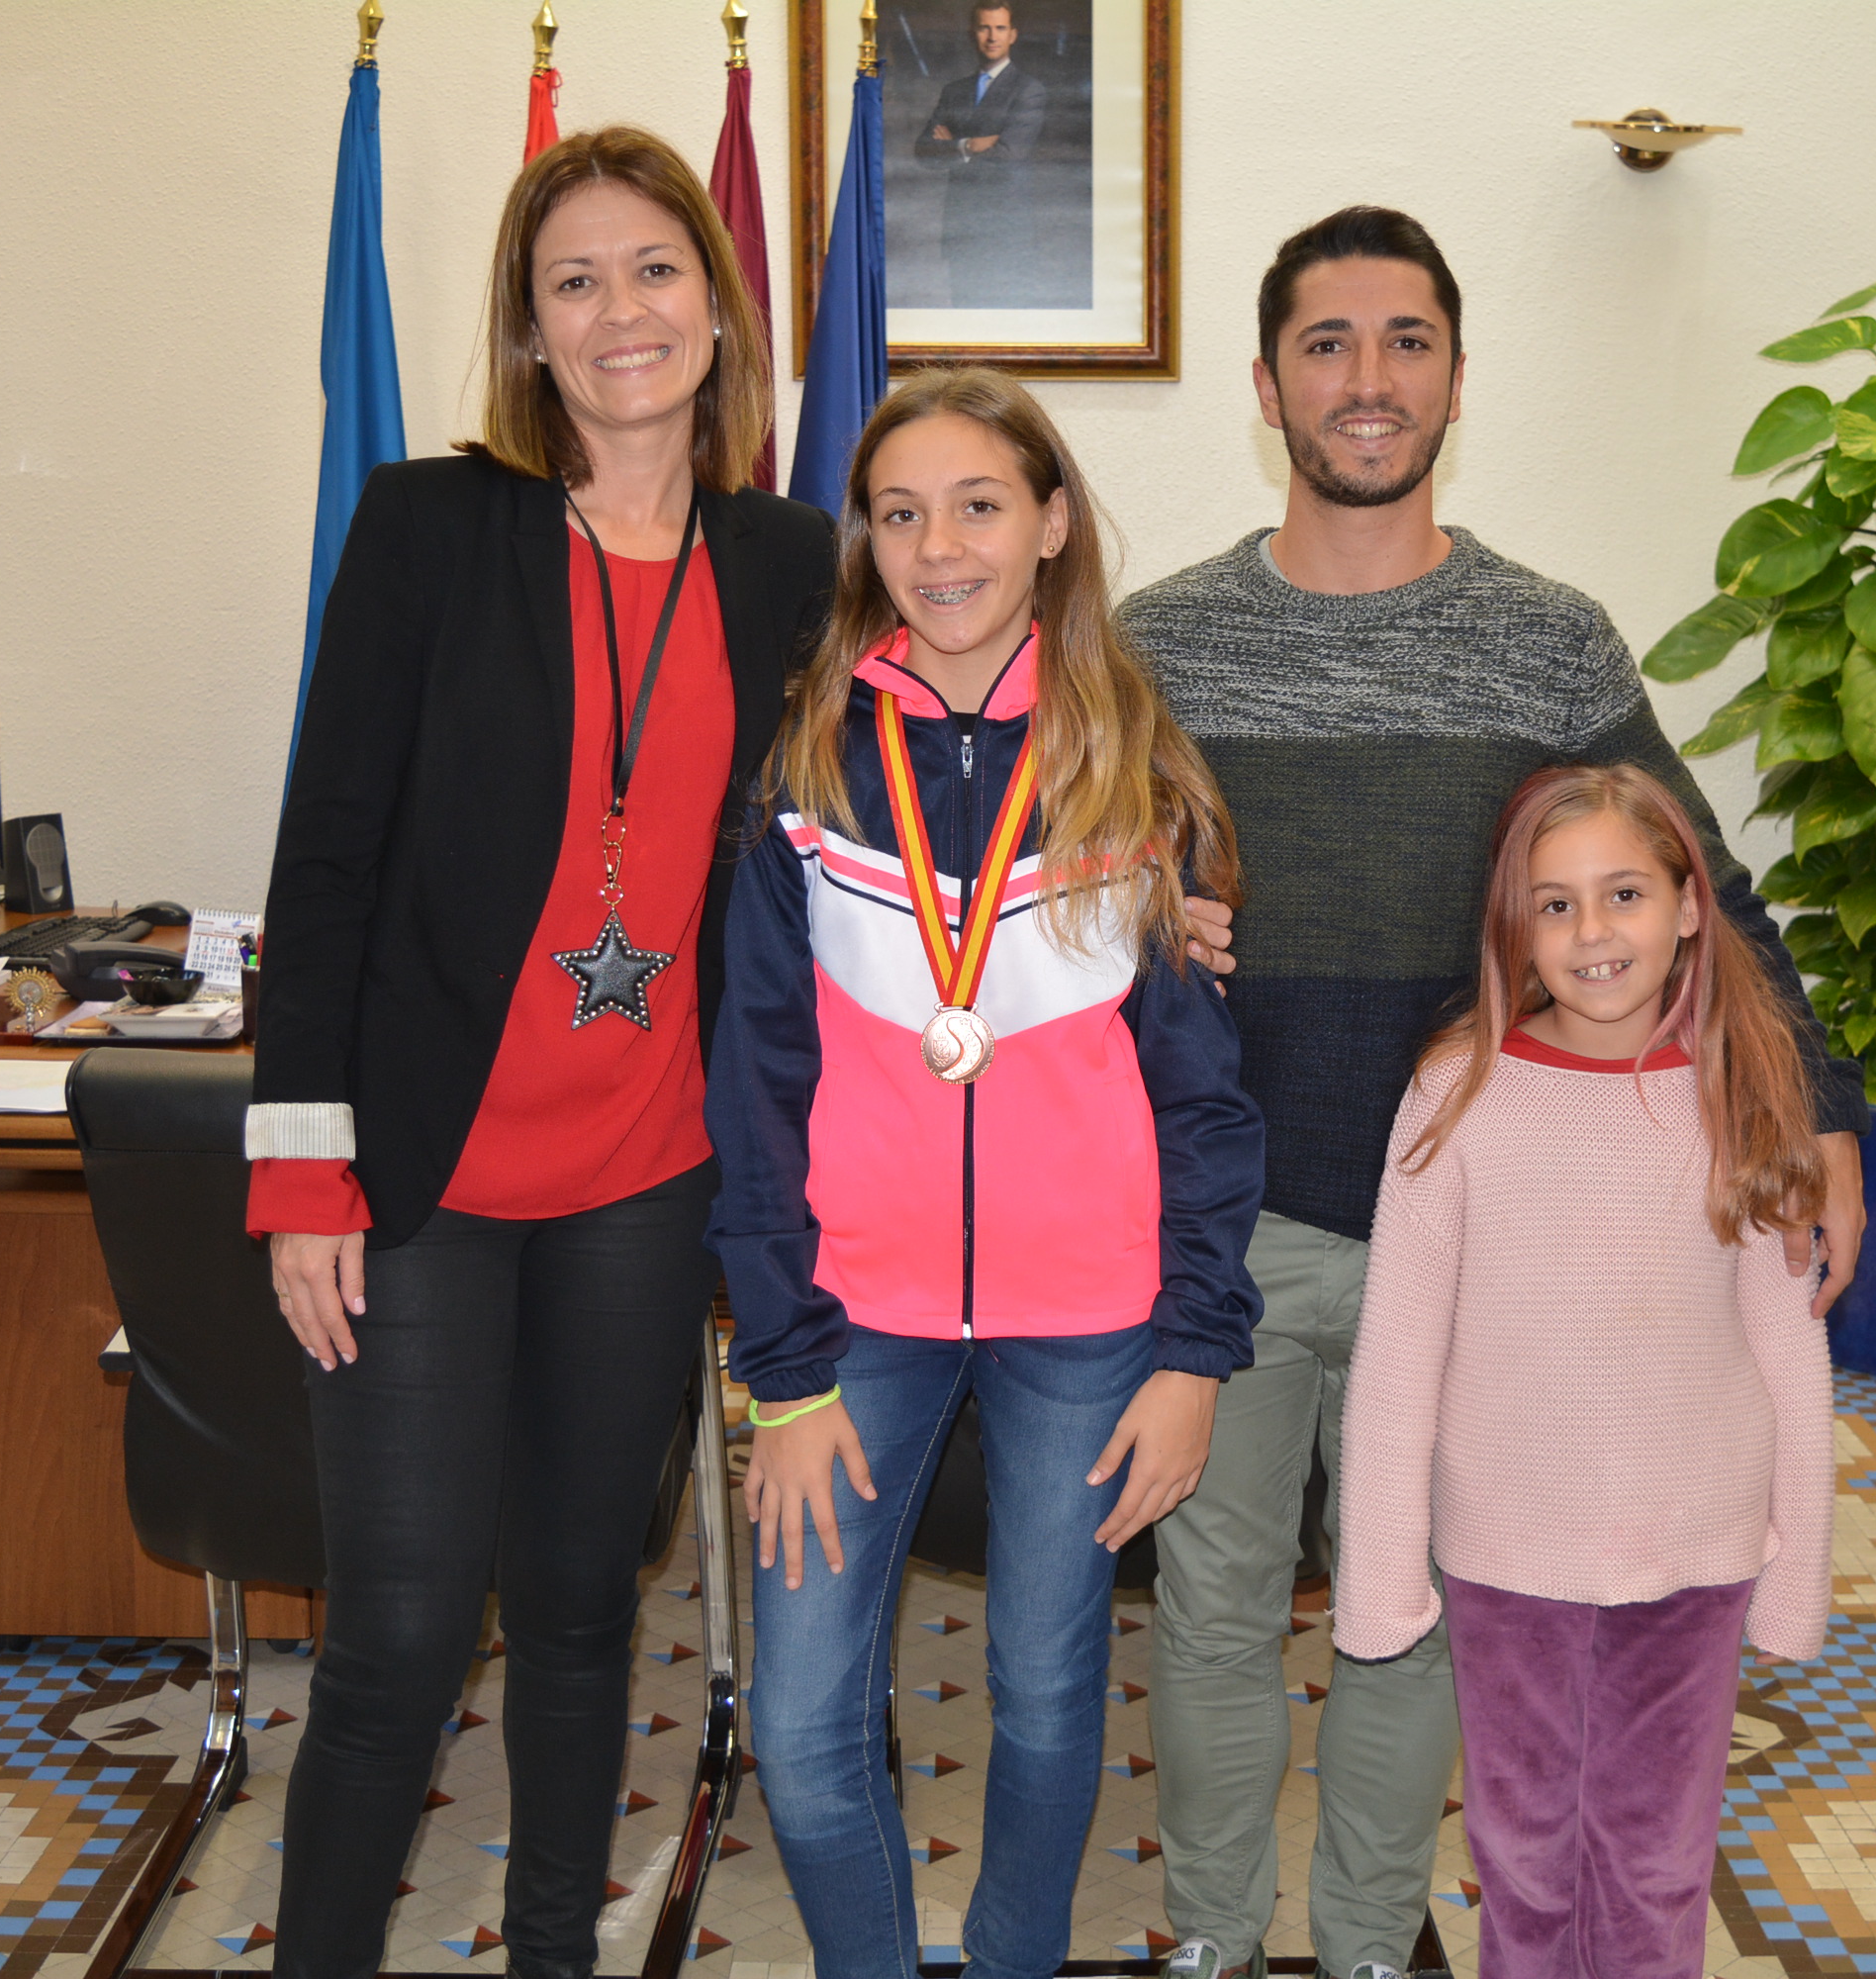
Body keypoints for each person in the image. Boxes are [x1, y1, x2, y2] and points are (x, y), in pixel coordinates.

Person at [1117, 205, 1871, 1979]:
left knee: (1423, 1616)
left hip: (1467, 1243)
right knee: (1215, 1615)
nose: (1366, 379)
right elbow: (1057, 890)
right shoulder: (1157, 644)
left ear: (1458, 378)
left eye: (1405, 341)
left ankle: (1373, 1944)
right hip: (1222, 1232)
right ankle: (1214, 1940)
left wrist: (1823, 1105)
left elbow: (1704, 889)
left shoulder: (1549, 641)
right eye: (1325, 343)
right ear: (1265, 386)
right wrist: (1135, 912)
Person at [246, 126, 834, 1979]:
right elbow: (323, 857)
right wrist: (301, 1166)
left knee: (583, 1613)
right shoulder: (432, 528)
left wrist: (1143, 890)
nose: (619, 311)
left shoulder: (788, 558)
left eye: (654, 269)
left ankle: (559, 1959)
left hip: (645, 1180)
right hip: (424, 1179)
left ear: (717, 307)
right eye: (573, 281)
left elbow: (895, 806)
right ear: (529, 328)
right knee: (403, 1636)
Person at [705, 367, 1266, 1979]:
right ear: (865, 544)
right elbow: (753, 1090)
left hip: (1088, 1323)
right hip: (851, 1322)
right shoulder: (809, 774)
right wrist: (783, 1375)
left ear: (1051, 524)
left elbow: (1202, 1102)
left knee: (1047, 1692)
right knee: (802, 1723)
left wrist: (1193, 1352)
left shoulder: (1132, 777)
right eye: (899, 514)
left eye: (977, 506)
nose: (938, 547)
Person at [1334, 762, 1833, 1979]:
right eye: (1554, 904)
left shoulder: (1743, 1089)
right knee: (1525, 1857)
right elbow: (1398, 1349)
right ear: (1516, 926)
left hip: (1697, 1556)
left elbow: (1788, 1348)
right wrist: (1380, 1579)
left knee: (1656, 1863)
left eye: (1624, 893)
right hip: (1510, 1562)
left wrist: (1797, 1572)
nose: (1592, 931)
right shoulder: (1457, 1092)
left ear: (1688, 907)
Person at [913, 1, 1049, 306]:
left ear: (1013, 35)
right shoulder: (954, 91)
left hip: (1006, 236)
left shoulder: (1029, 89)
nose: (992, 36)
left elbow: (1010, 153)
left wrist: (952, 146)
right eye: (984, 28)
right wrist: (969, 145)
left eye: (1000, 28)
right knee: (965, 322)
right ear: (972, 33)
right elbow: (923, 150)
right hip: (961, 233)